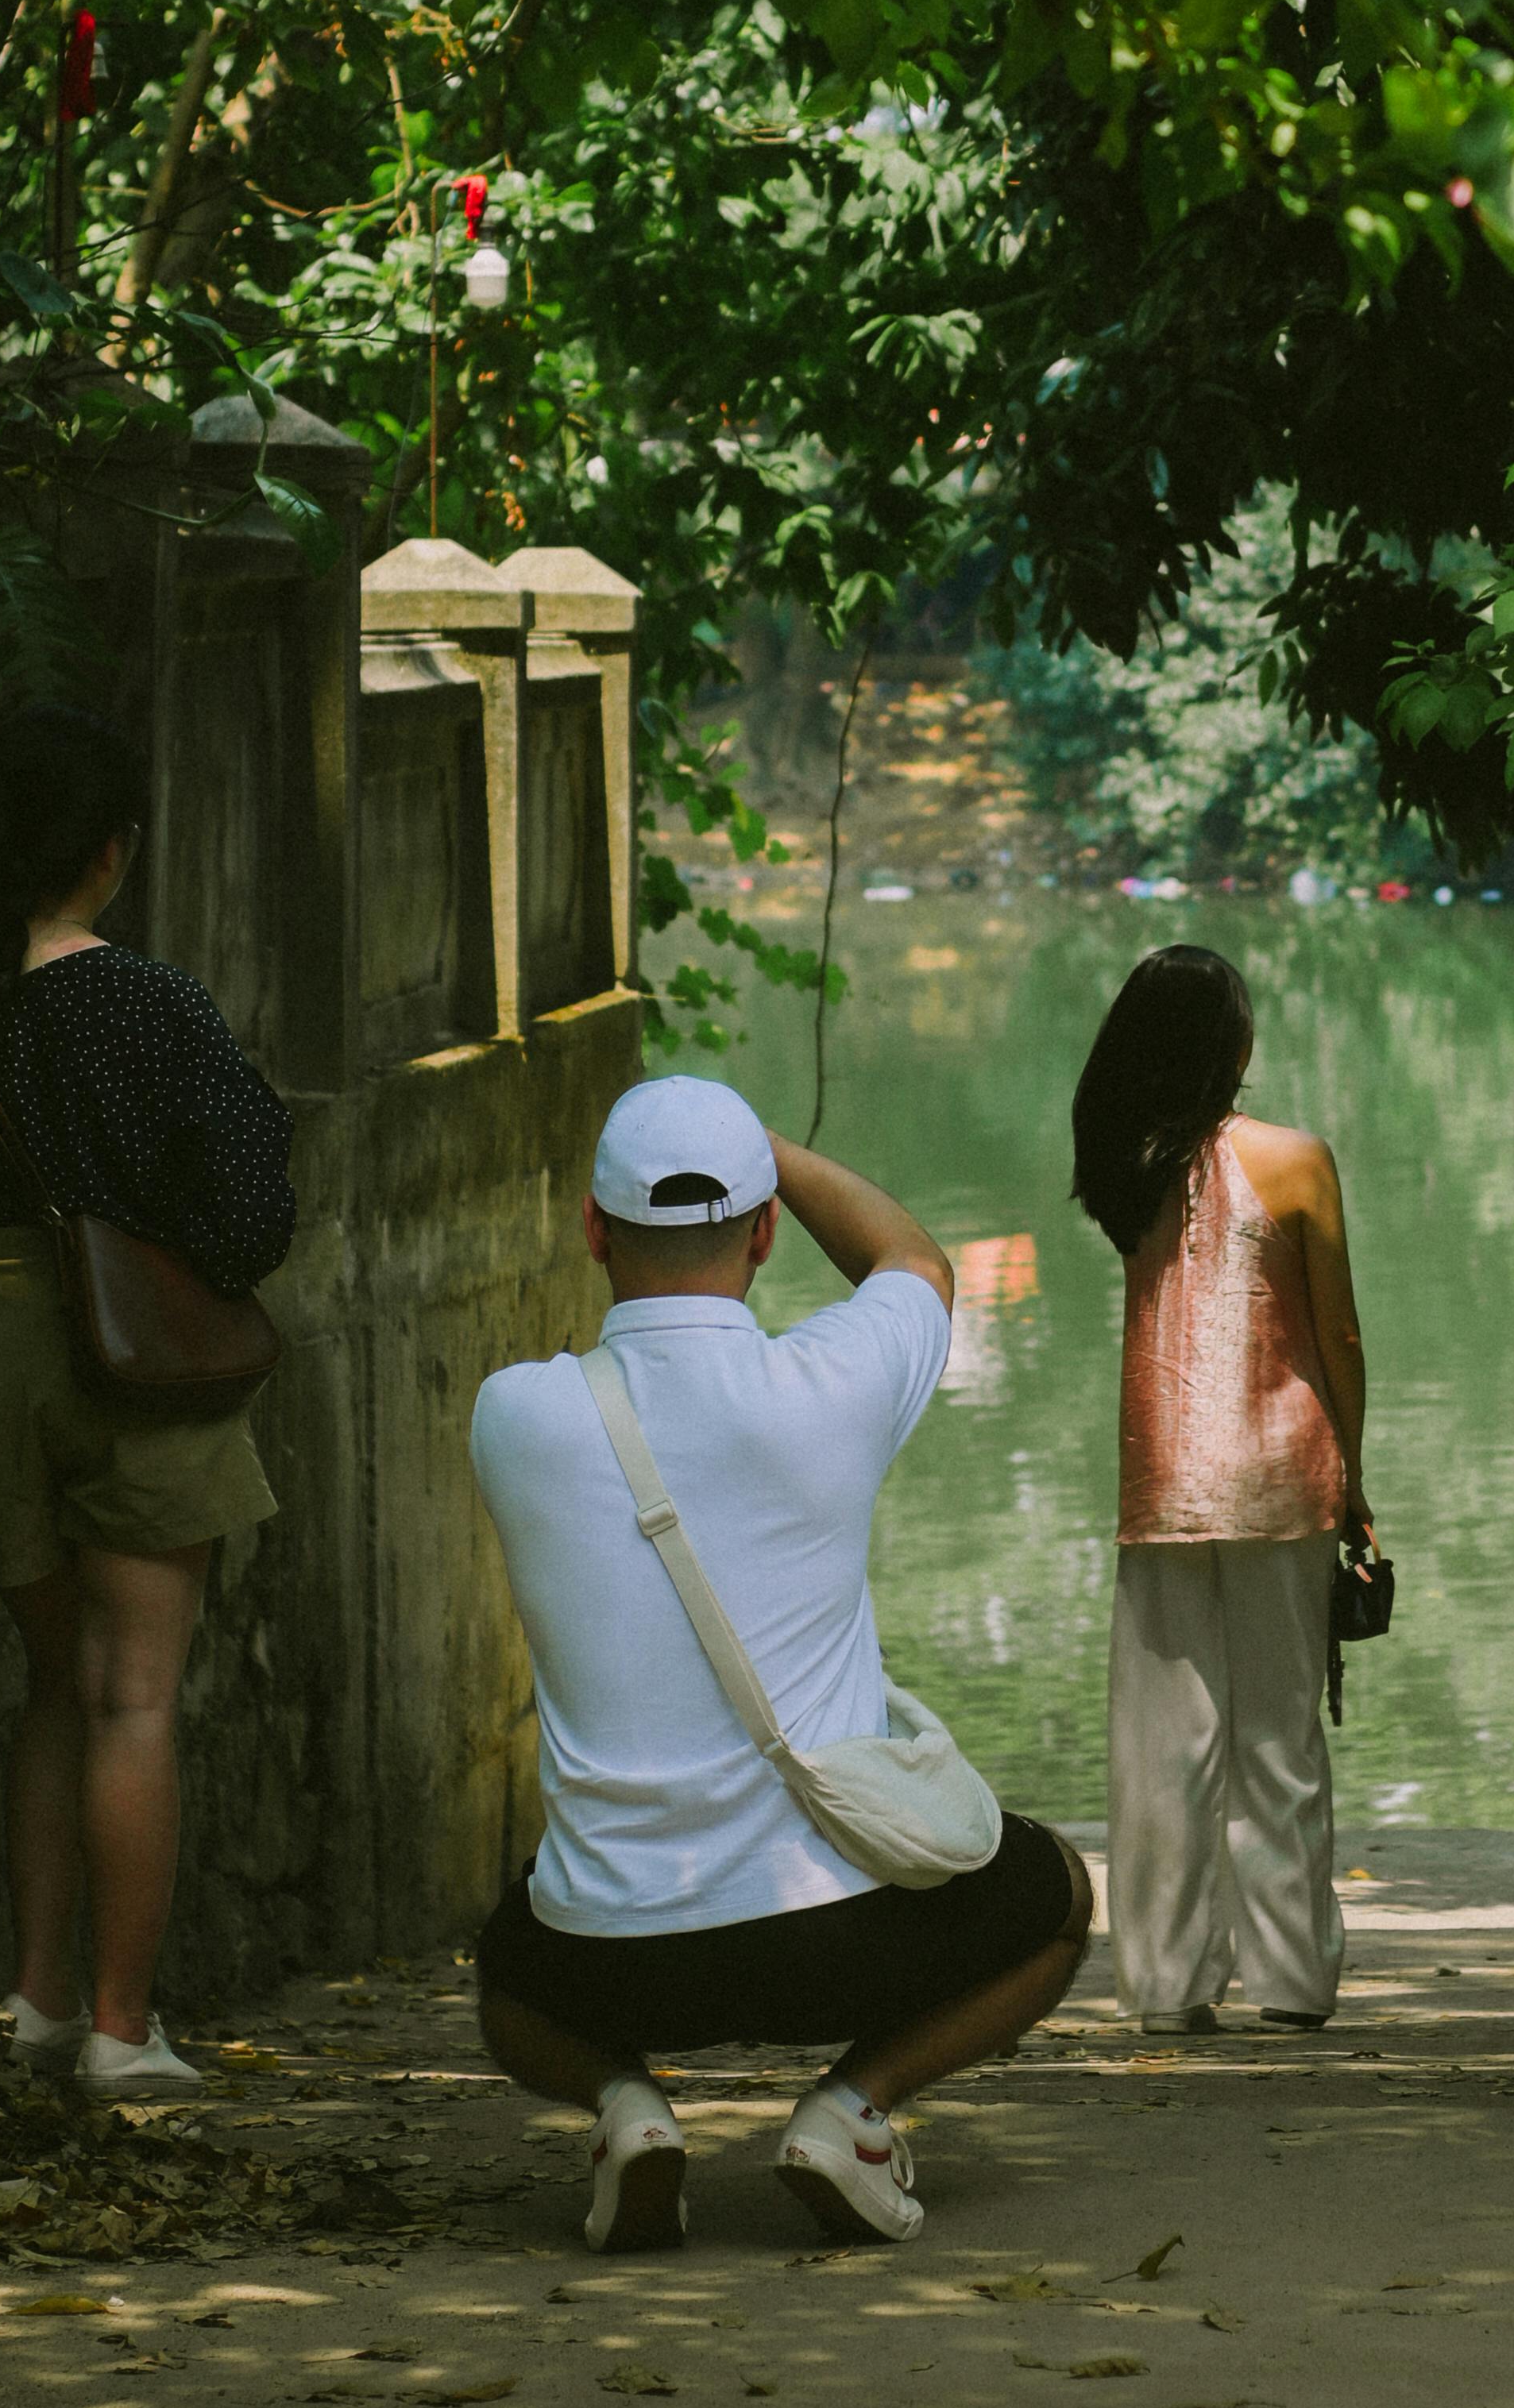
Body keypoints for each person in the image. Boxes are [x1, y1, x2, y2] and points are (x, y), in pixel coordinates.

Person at [469, 1076, 1091, 2253]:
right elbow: (910, 1258)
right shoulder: (831, 1385)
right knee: (1058, 1899)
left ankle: (627, 2108)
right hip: (841, 1937)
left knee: (506, 1972)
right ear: (763, 1232)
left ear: (593, 1232)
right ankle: (849, 2114)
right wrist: (772, 1153)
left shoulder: (514, 1417)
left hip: (613, 1963)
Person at [0, 699, 295, 2105]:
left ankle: (40, 2002)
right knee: (135, 1694)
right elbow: (246, 1217)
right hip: (128, 1359)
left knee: (53, 1678)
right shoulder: (147, 1004)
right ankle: (121, 2031)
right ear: (111, 853)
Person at [1073, 946, 1367, 2036]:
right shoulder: (1293, 1160)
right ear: (1234, 1047)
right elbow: (1335, 1332)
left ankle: (1166, 1984)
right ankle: (1291, 1982)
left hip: (1161, 1482)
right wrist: (1356, 1473)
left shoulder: (1127, 1169)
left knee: (1165, 1745)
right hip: (1284, 1480)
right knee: (1279, 1736)